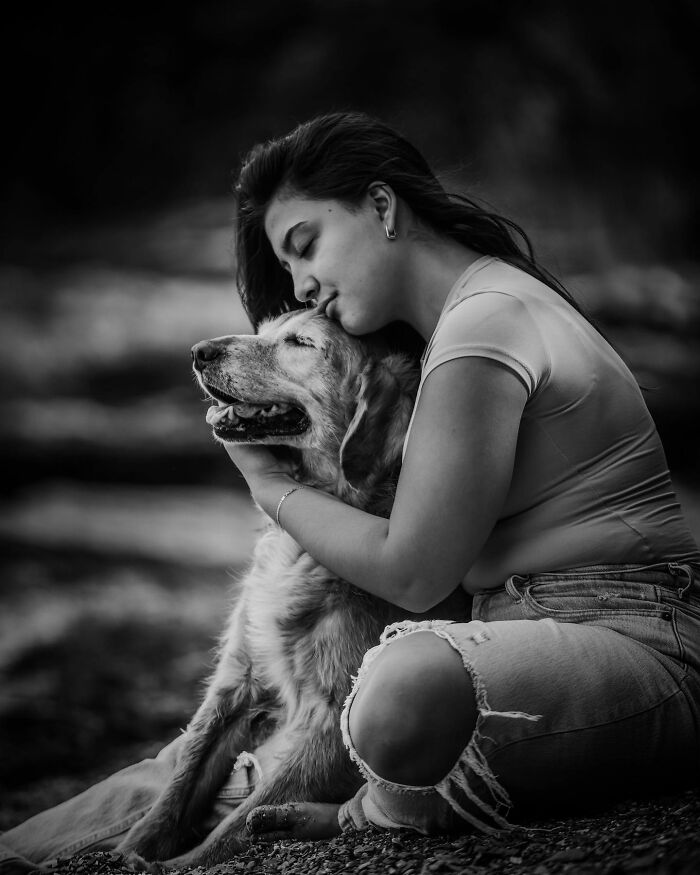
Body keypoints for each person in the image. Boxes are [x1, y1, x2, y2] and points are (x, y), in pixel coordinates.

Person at [1, 111, 698, 871]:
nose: (303, 285)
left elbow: (414, 572)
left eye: (306, 246)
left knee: (399, 688)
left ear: (383, 207)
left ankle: (361, 810)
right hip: (510, 633)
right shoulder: (450, 332)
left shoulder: (486, 323)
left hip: (630, 639)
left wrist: (272, 488)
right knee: (206, 756)